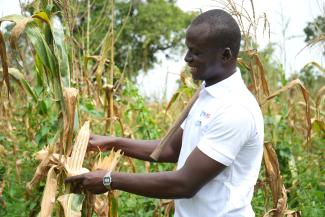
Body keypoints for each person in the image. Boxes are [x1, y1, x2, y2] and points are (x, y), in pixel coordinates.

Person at [65, 9, 264, 217]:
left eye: (196, 52)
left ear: (225, 55)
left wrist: (108, 179)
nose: (187, 58)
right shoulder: (207, 95)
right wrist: (112, 143)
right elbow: (170, 149)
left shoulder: (235, 109)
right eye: (188, 49)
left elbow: (184, 184)